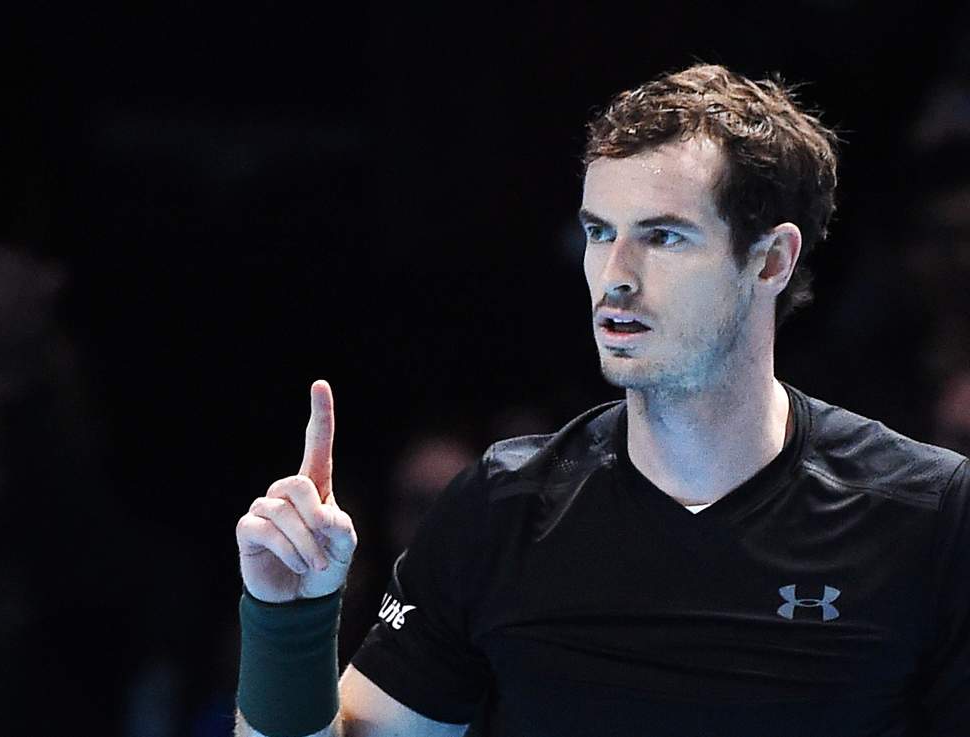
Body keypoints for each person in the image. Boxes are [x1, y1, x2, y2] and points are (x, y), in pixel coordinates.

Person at [232, 64, 970, 737]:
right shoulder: (501, 510)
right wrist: (288, 621)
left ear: (771, 259)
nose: (615, 275)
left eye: (663, 236)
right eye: (598, 232)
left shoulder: (927, 516)